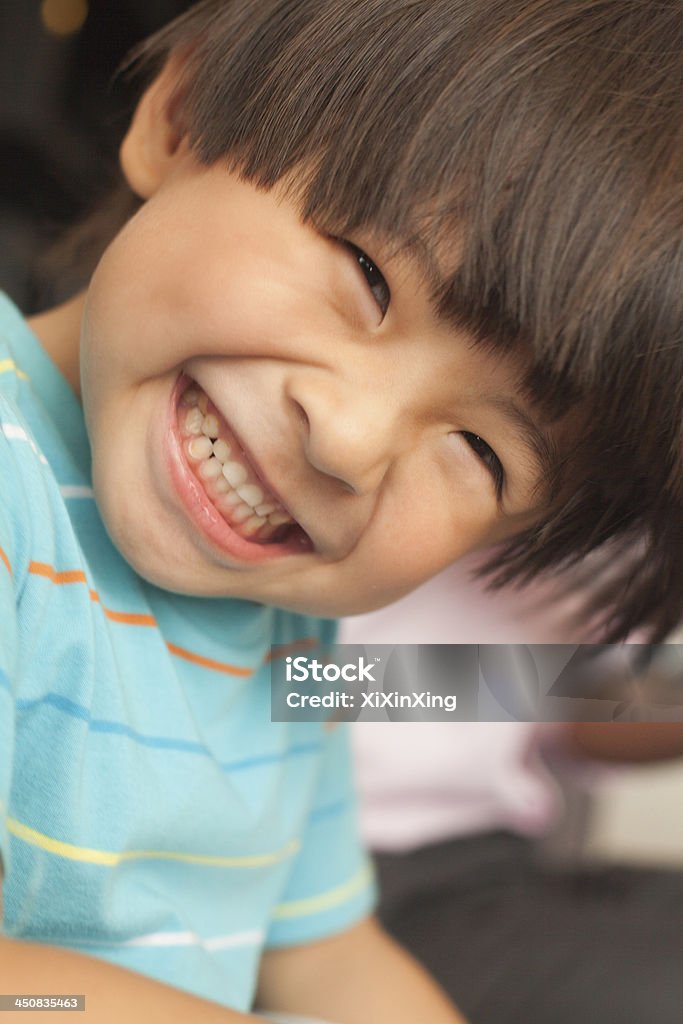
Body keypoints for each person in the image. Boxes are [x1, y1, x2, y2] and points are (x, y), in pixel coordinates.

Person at [0, 1, 681, 1021]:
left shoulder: (294, 630)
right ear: (180, 117)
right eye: (365, 272)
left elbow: (330, 953)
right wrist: (521, 687)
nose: (349, 441)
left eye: (480, 453)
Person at [342, 562, 683, 1024]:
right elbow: (309, 685)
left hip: (492, 864)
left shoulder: (620, 542)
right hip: (368, 866)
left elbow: (579, 711)